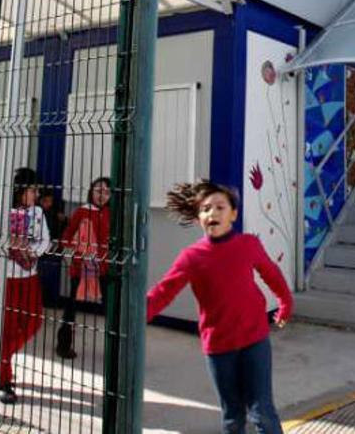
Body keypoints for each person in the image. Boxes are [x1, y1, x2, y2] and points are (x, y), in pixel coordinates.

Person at [146, 180, 293, 434]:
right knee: (232, 416)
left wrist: (285, 304)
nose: (212, 213)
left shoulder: (249, 245)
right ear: (197, 219)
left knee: (262, 411)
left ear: (233, 214)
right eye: (205, 209)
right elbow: (162, 293)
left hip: (255, 340)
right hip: (219, 347)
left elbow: (272, 274)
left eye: (220, 207)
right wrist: (136, 315)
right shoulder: (191, 257)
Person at [0, 167, 49, 404]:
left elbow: (45, 241)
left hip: (27, 275)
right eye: (33, 190)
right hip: (0, 276)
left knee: (34, 321)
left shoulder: (38, 213)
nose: (36, 194)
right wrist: (7, 242)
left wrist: (30, 250)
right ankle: (3, 380)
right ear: (20, 191)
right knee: (6, 328)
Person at [55, 177, 111, 359]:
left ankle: (115, 347)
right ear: (91, 192)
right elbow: (67, 236)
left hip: (104, 269)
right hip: (81, 269)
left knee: (111, 308)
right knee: (71, 308)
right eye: (98, 190)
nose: (102, 195)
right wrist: (71, 257)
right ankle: (63, 345)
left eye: (107, 192)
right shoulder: (81, 212)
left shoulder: (112, 214)